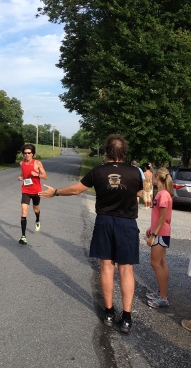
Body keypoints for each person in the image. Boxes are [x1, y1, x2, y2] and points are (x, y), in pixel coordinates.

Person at [39, 134, 143, 334]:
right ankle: (127, 317)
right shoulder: (136, 172)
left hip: (104, 221)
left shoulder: (98, 171)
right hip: (127, 223)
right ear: (124, 152)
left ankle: (110, 312)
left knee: (106, 266)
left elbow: (77, 190)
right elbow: (140, 193)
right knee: (126, 270)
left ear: (106, 151)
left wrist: (55, 192)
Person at [145, 167, 173, 308]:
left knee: (155, 263)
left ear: (156, 177)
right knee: (161, 262)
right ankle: (162, 292)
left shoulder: (162, 195)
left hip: (161, 233)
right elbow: (161, 217)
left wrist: (153, 235)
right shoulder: (164, 194)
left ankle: (163, 297)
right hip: (161, 231)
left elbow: (163, 218)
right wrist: (151, 228)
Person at [18, 144, 47, 245]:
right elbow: (23, 174)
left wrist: (37, 174)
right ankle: (23, 237)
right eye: (25, 153)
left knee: (36, 209)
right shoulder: (21, 163)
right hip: (25, 190)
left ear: (32, 153)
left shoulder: (37, 163)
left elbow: (45, 176)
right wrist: (21, 177)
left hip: (36, 190)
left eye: (29, 153)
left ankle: (37, 220)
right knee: (24, 211)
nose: (27, 155)